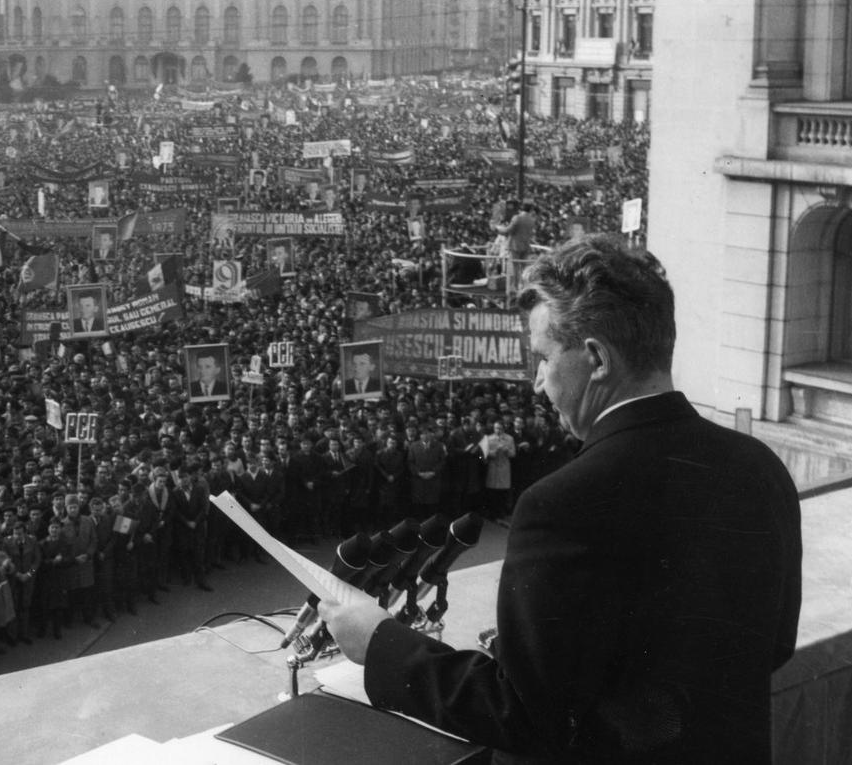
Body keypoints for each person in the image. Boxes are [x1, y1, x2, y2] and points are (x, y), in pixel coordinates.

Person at [320, 235, 802, 763]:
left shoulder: (561, 504)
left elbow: (525, 715)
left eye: (544, 358)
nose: (536, 384)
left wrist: (382, 646)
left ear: (595, 358)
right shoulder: (761, 468)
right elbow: (771, 646)